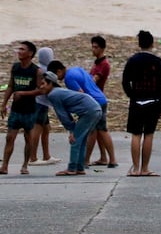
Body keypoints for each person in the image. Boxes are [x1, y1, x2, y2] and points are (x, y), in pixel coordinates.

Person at [37, 65, 103, 176]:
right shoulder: (58, 92)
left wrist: (71, 130)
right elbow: (67, 114)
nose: (41, 87)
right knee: (81, 140)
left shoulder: (53, 94)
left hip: (89, 111)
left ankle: (72, 168)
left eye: (43, 84)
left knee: (75, 140)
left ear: (51, 84)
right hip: (95, 109)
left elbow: (62, 115)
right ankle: (80, 167)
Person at [122, 29, 161, 177]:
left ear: (139, 44)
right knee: (148, 134)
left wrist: (132, 95)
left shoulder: (133, 60)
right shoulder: (157, 61)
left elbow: (125, 81)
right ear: (152, 44)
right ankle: (145, 168)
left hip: (137, 102)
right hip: (153, 102)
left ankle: (135, 168)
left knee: (136, 134)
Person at [0, 41, 41, 176]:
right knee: (10, 137)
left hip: (29, 109)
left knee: (28, 138)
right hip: (15, 109)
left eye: (22, 49)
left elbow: (40, 91)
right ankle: (4, 166)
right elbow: (10, 86)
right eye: (19, 49)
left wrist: (23, 93)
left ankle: (25, 165)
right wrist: (4, 104)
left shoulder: (36, 71)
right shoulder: (15, 68)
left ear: (30, 53)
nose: (19, 51)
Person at [56, 59, 110, 167]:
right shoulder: (76, 69)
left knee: (92, 132)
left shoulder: (68, 78)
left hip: (93, 103)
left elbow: (80, 94)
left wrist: (78, 115)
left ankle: (85, 160)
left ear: (58, 71)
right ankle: (106, 158)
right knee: (101, 130)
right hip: (100, 98)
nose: (57, 79)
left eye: (55, 75)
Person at [86, 35, 119, 168]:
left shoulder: (104, 64)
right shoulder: (97, 62)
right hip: (95, 98)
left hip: (97, 100)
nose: (93, 49)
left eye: (96, 47)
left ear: (102, 48)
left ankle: (88, 159)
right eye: (92, 46)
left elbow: (93, 81)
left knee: (97, 130)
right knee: (99, 130)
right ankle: (104, 157)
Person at [30, 46, 58, 165]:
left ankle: (47, 155)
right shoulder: (45, 71)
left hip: (43, 103)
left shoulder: (39, 68)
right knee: (37, 129)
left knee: (46, 129)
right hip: (40, 103)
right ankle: (33, 157)